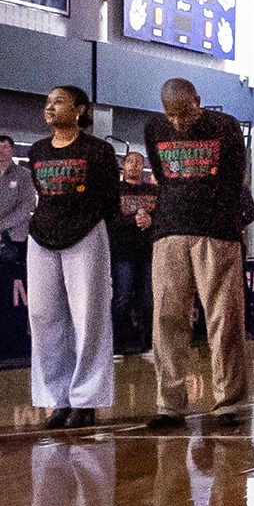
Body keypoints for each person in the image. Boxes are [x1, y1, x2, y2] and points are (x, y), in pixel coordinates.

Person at [143, 77, 253, 431]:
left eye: (184, 113)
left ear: (198, 101)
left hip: (216, 230)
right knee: (167, 319)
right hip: (169, 231)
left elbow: (235, 179)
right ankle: (169, 404)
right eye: (171, 115)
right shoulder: (154, 128)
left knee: (224, 319)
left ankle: (228, 403)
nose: (178, 122)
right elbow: (162, 175)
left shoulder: (225, 126)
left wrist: (223, 219)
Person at [27, 86, 117, 430]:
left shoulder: (98, 150)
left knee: (88, 317)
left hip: (85, 234)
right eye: (47, 101)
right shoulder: (37, 151)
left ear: (79, 109)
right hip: (42, 237)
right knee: (44, 316)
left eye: (59, 101)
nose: (50, 106)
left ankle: (86, 400)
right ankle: (58, 399)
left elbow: (110, 199)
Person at [110, 151, 155, 355]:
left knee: (148, 299)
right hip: (123, 253)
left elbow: (162, 215)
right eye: (131, 162)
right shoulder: (115, 190)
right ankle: (117, 345)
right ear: (124, 166)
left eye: (139, 162)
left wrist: (150, 221)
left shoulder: (153, 191)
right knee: (122, 298)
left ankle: (149, 344)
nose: (135, 166)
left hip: (148, 252)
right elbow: (110, 221)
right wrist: (134, 221)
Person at [0, 133, 34, 265]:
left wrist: (0, 226)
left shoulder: (24, 175)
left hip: (14, 238)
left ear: (12, 150)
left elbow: (27, 207)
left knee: (9, 280)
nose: (1, 151)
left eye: (5, 147)